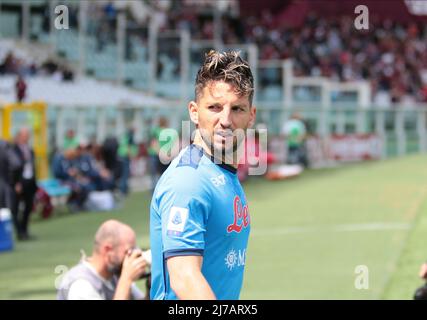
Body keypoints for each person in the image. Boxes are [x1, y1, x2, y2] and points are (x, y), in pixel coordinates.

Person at [150, 50, 256, 300]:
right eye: (214, 107)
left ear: (251, 116)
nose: (225, 120)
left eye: (237, 109)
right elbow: (185, 278)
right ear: (194, 112)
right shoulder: (189, 181)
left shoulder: (220, 171)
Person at [57, 220, 151, 300]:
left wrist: (151, 287)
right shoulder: (81, 285)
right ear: (107, 250)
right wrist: (126, 280)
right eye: (128, 251)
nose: (131, 257)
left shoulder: (114, 274)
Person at [12, 128, 38, 240]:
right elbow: (13, 167)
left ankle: (25, 230)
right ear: (19, 136)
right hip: (19, 183)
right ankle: (19, 232)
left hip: (29, 182)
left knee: (28, 206)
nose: (27, 137)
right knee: (16, 208)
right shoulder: (13, 150)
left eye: (28, 135)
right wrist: (16, 182)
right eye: (24, 135)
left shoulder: (30, 150)